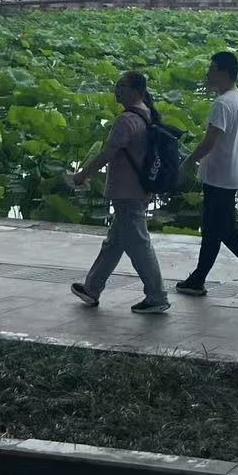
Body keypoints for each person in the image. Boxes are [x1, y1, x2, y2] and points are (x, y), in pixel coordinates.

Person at [176, 50, 238, 304]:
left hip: (219, 177)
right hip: (227, 175)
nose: (207, 74)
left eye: (211, 69)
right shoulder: (237, 98)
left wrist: (188, 161)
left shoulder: (222, 104)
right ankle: (198, 279)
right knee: (212, 230)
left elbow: (210, 142)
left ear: (223, 72)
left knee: (226, 231)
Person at [69, 70, 170, 313]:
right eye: (117, 85)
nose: (117, 90)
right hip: (141, 188)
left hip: (126, 191)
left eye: (122, 86)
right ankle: (92, 288)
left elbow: (107, 153)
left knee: (139, 246)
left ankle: (157, 296)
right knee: (114, 243)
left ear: (137, 90)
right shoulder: (147, 115)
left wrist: (83, 175)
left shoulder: (126, 120)